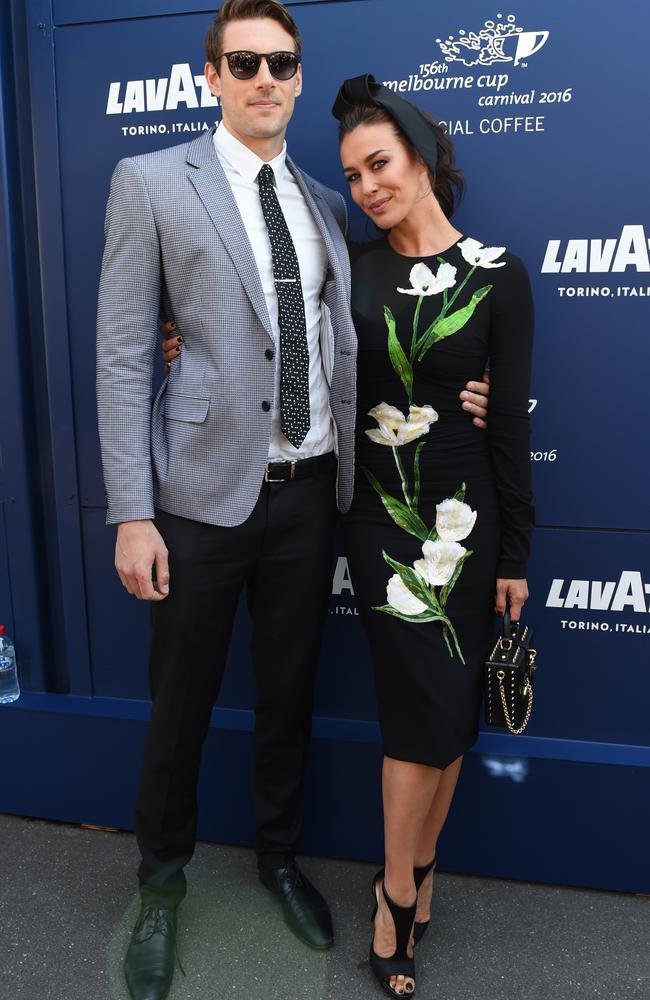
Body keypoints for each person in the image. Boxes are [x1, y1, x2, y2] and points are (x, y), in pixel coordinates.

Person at [97, 3, 490, 999]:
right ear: (212, 75)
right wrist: (131, 510)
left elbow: (366, 329)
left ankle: (278, 857)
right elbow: (123, 352)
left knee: (288, 696)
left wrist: (462, 388)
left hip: (313, 495)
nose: (264, 76)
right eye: (245, 61)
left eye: (281, 61)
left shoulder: (325, 200)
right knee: (179, 704)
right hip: (193, 498)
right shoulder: (150, 181)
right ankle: (160, 883)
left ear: (298, 78)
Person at [332, 75, 534, 998]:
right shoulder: (349, 261)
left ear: (421, 159)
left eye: (380, 164)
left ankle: (413, 873)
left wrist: (518, 555)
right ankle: (397, 888)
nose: (368, 185)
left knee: (449, 718)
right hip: (379, 517)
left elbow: (511, 430)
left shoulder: (499, 272)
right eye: (354, 173)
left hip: (467, 524)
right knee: (418, 714)